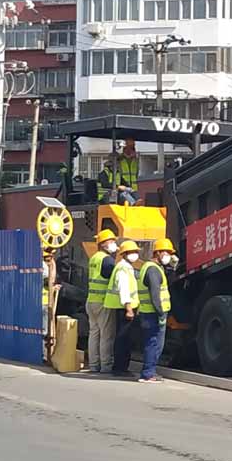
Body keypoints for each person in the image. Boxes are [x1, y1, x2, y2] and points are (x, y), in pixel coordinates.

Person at [137, 238, 175, 383]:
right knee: (154, 343)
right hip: (153, 313)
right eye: (166, 252)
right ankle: (148, 373)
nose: (168, 256)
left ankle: (149, 372)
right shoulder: (153, 270)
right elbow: (155, 294)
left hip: (148, 311)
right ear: (157, 252)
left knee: (152, 342)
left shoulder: (150, 267)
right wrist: (160, 313)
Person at [103, 239, 141, 377]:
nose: (135, 254)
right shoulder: (123, 269)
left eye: (136, 252)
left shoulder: (126, 267)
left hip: (125, 307)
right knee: (123, 338)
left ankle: (122, 367)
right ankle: (120, 368)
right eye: (132, 252)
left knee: (124, 338)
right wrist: (129, 308)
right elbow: (123, 289)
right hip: (124, 308)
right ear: (124, 254)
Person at [87, 230, 118, 373]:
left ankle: (94, 365)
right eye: (111, 241)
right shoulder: (107, 260)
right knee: (106, 335)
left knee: (94, 333)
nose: (114, 244)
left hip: (91, 301)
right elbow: (116, 274)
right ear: (103, 244)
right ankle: (106, 366)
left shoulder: (94, 258)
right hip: (102, 302)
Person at [117, 138, 140, 205]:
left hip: (133, 188)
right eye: (129, 147)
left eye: (132, 147)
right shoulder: (120, 160)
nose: (131, 149)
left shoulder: (135, 161)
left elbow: (136, 173)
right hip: (123, 188)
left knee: (136, 203)